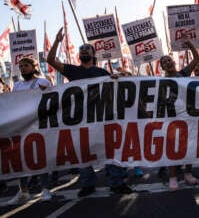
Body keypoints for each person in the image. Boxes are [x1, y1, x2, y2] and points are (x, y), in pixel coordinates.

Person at [47, 27, 132, 197]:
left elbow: (115, 87)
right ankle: (88, 184)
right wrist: (57, 41)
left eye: (87, 48)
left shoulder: (101, 72)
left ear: (93, 55)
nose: (84, 50)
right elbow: (50, 60)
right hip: (80, 119)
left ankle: (116, 182)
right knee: (83, 151)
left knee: (109, 150)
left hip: (102, 117)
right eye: (81, 49)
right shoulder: (72, 70)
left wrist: (117, 78)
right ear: (79, 56)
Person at [7, 57, 52, 205]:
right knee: (22, 159)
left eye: (26, 65)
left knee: (40, 157)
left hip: (39, 125)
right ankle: (23, 191)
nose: (23, 68)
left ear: (34, 67)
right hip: (22, 127)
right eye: (20, 66)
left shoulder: (42, 82)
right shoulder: (17, 86)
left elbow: (51, 99)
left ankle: (45, 189)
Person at [159, 35, 199, 191]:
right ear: (162, 67)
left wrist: (189, 43)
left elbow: (196, 58)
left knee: (188, 146)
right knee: (172, 148)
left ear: (174, 61)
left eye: (169, 60)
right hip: (170, 119)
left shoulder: (183, 73)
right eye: (164, 62)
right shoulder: (160, 82)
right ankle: (173, 177)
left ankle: (188, 174)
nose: (168, 63)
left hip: (186, 116)